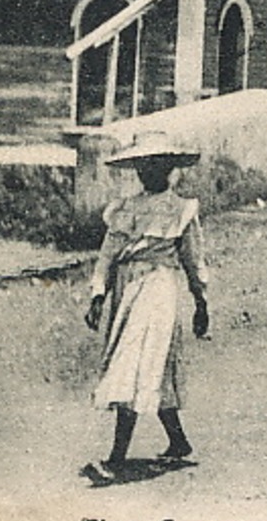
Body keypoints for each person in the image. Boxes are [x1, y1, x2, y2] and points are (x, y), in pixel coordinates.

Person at [81, 133, 210, 485]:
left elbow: (193, 261)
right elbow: (107, 256)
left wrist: (201, 302)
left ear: (170, 170)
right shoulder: (125, 209)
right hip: (127, 288)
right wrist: (98, 294)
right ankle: (178, 441)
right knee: (155, 365)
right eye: (144, 167)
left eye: (158, 166)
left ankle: (116, 457)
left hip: (159, 287)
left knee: (136, 359)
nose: (150, 173)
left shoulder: (182, 210)